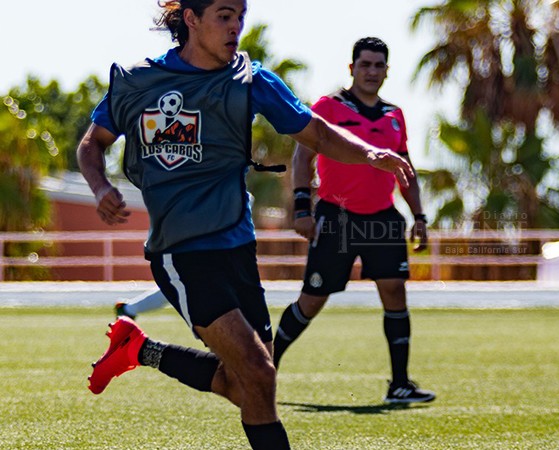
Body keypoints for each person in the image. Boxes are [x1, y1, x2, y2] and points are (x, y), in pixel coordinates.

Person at [77, 1, 413, 449]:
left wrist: (369, 153)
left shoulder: (251, 80)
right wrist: (100, 189)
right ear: (192, 19)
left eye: (240, 16)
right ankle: (138, 350)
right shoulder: (139, 80)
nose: (236, 26)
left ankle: (140, 350)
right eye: (224, 15)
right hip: (182, 252)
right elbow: (91, 144)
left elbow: (315, 132)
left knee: (249, 384)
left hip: (237, 248)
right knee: (257, 373)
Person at [270, 37, 435, 404]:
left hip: (383, 220)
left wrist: (419, 216)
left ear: (387, 71)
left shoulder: (395, 115)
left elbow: (406, 171)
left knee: (394, 291)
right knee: (312, 300)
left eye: (379, 65)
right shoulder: (328, 107)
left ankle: (400, 385)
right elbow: (302, 156)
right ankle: (264, 369)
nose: (372, 71)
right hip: (336, 217)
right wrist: (301, 209)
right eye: (366, 64)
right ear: (352, 68)